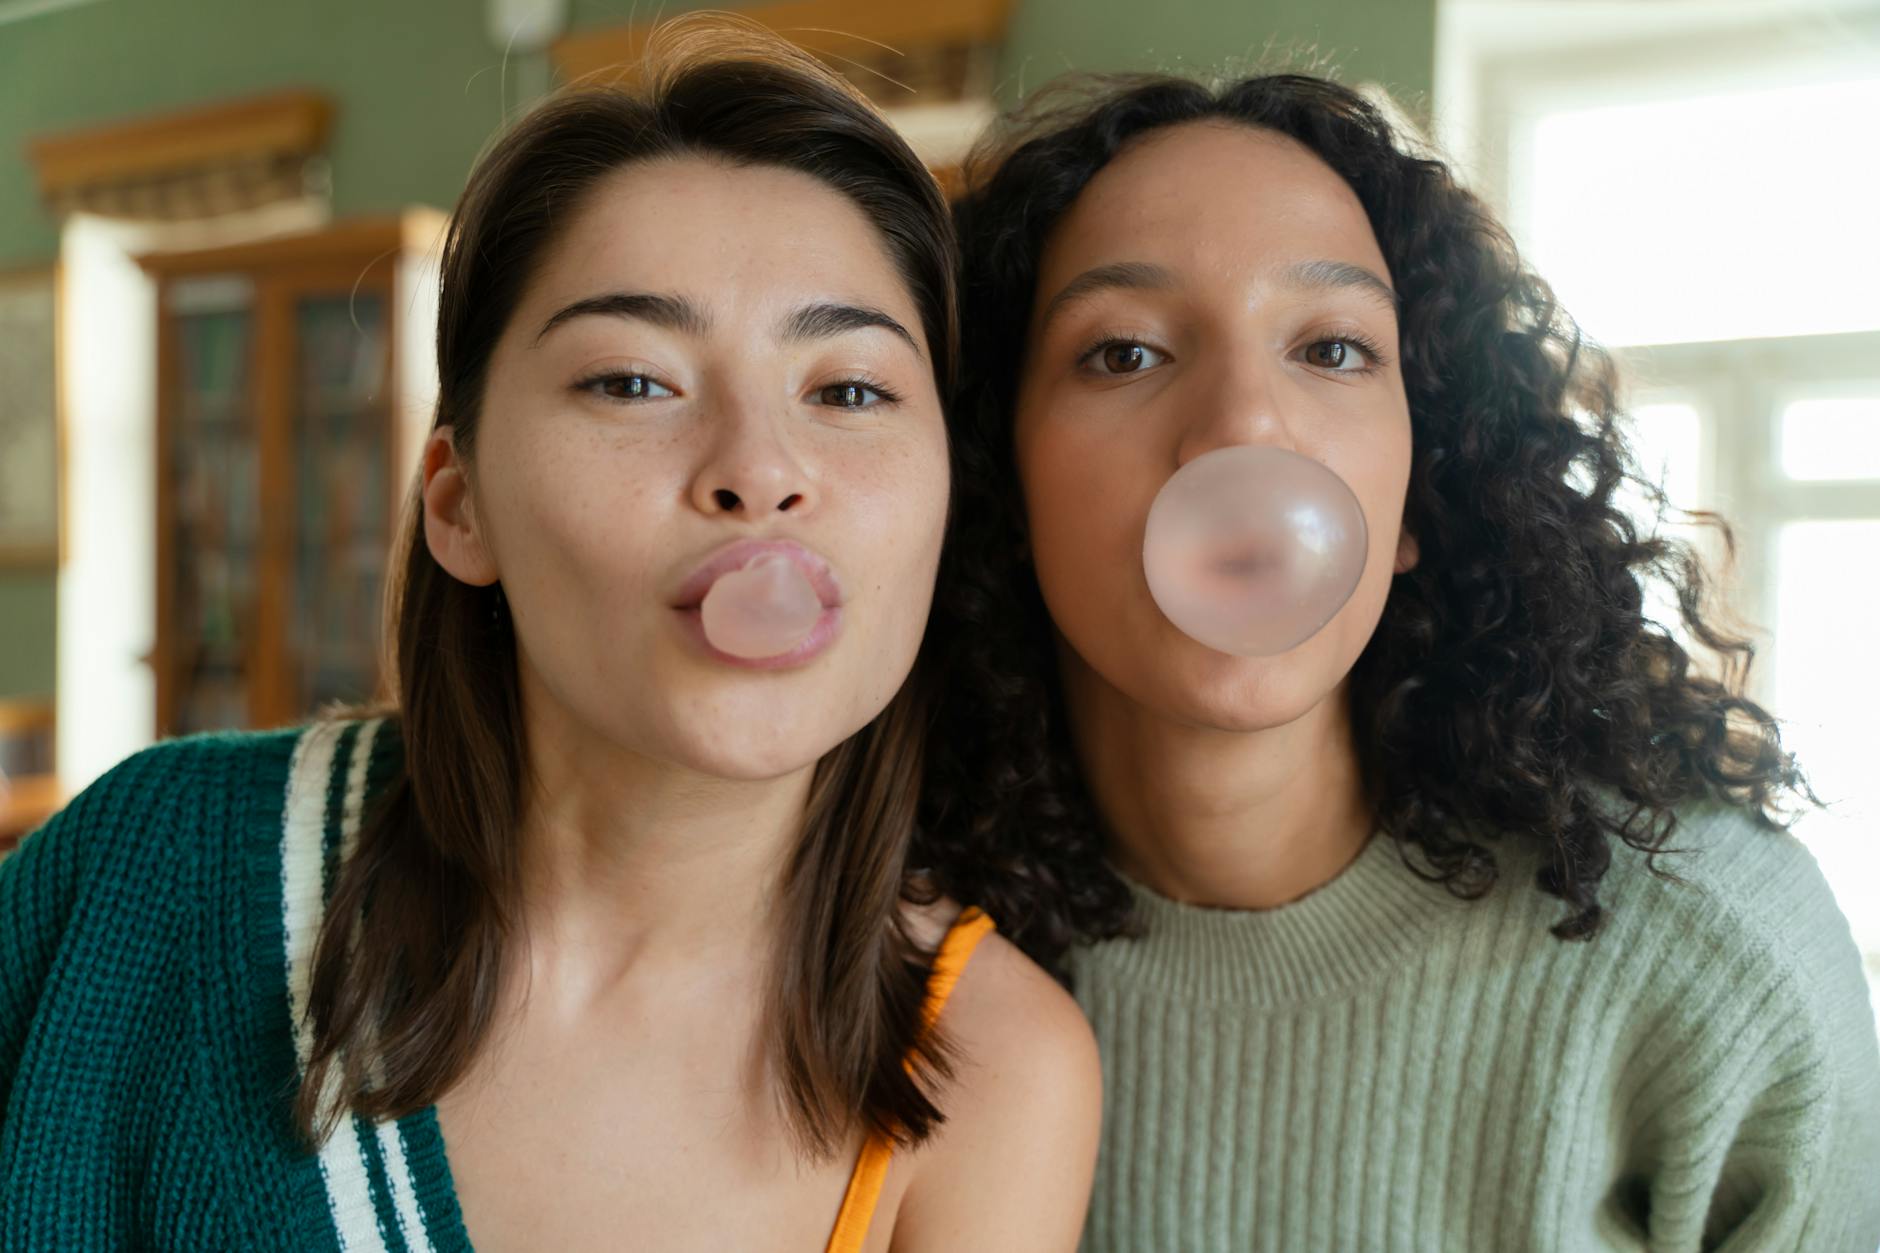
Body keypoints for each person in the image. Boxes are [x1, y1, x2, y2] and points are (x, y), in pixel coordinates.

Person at [0, 27, 1099, 1253]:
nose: (758, 469)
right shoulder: (150, 867)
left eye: (848, 390)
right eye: (633, 380)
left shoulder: (996, 1070)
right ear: (458, 501)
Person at [919, 70, 1880, 1250]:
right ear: (998, 476)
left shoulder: (1709, 958)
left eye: (1329, 349)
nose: (1239, 426)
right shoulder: (887, 957)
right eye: (1120, 353)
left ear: (1416, 491)